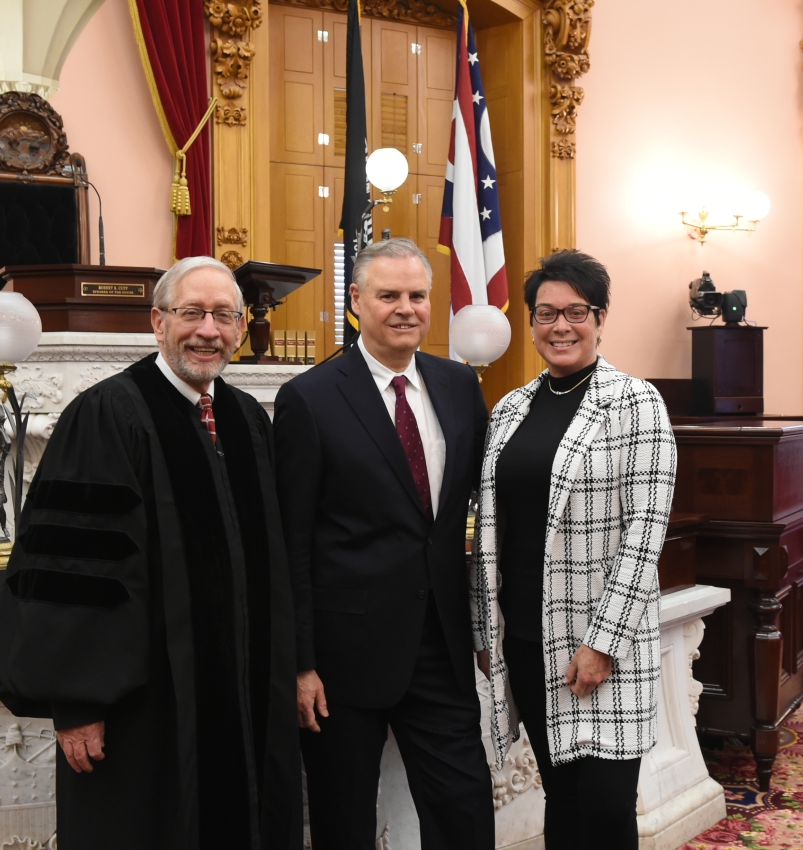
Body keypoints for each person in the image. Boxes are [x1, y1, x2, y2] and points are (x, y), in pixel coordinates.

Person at [0, 257, 302, 850]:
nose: (209, 330)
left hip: (246, 696)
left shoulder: (246, 418)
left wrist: (295, 665)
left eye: (224, 316)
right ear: (158, 322)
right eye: (192, 313)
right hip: (145, 712)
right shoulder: (107, 415)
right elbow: (71, 568)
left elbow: (274, 565)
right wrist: (75, 699)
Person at [273, 237, 493, 850]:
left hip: (441, 647)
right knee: (344, 820)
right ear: (356, 301)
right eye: (389, 295)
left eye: (418, 296)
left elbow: (472, 514)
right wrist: (301, 662)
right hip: (342, 658)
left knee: (465, 810)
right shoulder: (309, 399)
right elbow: (290, 539)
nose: (406, 308)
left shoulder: (457, 387)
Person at [471, 250, 676, 850]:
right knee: (559, 800)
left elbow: (645, 537)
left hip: (598, 644)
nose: (560, 326)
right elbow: (491, 530)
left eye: (576, 312)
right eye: (546, 314)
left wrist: (602, 643)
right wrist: (488, 630)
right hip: (529, 641)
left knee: (606, 809)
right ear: (531, 323)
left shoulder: (636, 403)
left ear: (601, 317)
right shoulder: (510, 409)